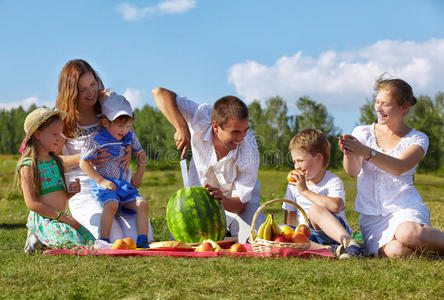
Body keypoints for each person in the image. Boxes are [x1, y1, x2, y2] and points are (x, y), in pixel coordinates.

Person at [339, 77, 444, 258]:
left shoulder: (417, 138)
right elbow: (352, 172)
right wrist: (349, 153)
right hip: (372, 217)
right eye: (377, 102)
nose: (378, 108)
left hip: (404, 208)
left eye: (386, 104)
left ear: (404, 107)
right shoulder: (361, 133)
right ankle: (435, 255)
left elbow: (400, 167)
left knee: (408, 234)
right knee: (396, 251)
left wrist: (366, 152)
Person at [55, 59, 153, 243]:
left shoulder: (108, 102)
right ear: (71, 91)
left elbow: (128, 132)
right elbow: (54, 160)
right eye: (82, 89)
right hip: (85, 186)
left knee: (143, 237)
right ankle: (60, 229)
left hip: (119, 184)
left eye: (92, 84)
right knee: (112, 238)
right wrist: (85, 158)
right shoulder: (64, 118)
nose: (91, 92)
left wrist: (129, 151)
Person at [152, 87, 265, 243]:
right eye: (235, 132)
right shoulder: (200, 116)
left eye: (245, 130)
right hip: (198, 206)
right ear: (215, 126)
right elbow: (159, 93)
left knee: (258, 240)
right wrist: (181, 127)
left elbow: (240, 204)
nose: (242, 137)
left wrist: (221, 199)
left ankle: (231, 232)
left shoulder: (249, 148)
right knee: (183, 244)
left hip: (238, 206)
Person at [16, 108, 95, 254]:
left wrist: (70, 193)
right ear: (38, 134)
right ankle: (36, 236)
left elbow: (57, 196)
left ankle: (43, 241)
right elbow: (31, 203)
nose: (59, 138)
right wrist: (62, 217)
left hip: (60, 217)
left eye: (60, 133)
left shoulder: (55, 161)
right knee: (71, 240)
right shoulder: (28, 165)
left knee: (89, 240)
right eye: (54, 134)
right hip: (45, 218)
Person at [79, 91, 149, 248]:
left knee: (142, 204)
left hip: (123, 185)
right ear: (106, 123)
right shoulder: (96, 140)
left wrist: (139, 174)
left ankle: (143, 241)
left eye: (127, 126)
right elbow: (83, 163)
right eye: (119, 126)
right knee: (112, 204)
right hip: (106, 185)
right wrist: (101, 181)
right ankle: (103, 241)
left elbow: (141, 154)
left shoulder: (129, 136)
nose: (124, 130)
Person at [282, 129, 362, 258]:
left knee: (314, 211)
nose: (296, 166)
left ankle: (349, 243)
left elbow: (336, 206)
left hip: (335, 233)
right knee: (282, 230)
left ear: (319, 158)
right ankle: (330, 250)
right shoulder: (293, 185)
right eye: (294, 161)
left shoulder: (332, 181)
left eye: (300, 161)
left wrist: (304, 191)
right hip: (309, 237)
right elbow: (290, 213)